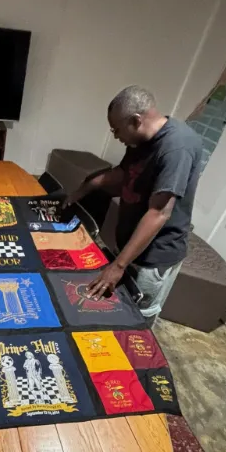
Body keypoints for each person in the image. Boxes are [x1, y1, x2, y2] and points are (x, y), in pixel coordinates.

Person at [64, 86, 202, 325]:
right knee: (116, 307)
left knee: (138, 315)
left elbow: (159, 212)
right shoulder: (140, 141)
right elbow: (122, 173)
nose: (115, 135)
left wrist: (118, 265)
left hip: (156, 254)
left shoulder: (176, 148)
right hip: (131, 244)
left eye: (116, 129)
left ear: (136, 121)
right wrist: (86, 187)